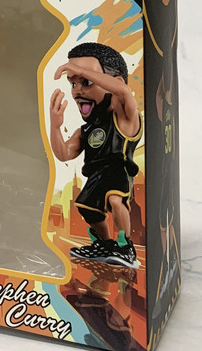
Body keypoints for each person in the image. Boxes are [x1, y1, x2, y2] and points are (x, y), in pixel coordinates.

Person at [49, 42, 142, 268]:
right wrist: (55, 126)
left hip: (117, 169)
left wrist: (80, 70)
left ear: (114, 81)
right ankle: (104, 244)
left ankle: (125, 247)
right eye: (73, 83)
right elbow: (63, 154)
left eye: (86, 82)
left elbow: (123, 91)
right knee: (88, 208)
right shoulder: (86, 130)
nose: (76, 91)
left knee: (115, 199)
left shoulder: (125, 117)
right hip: (96, 175)